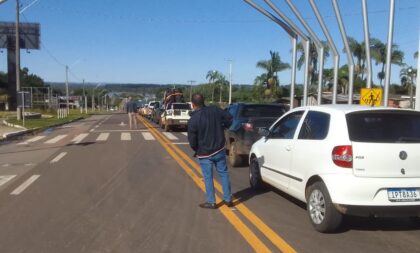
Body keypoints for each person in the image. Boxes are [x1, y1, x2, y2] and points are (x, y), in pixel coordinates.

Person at [187, 93, 233, 209]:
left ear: (193, 105)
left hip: (204, 153)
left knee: (208, 177)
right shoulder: (215, 110)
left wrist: (196, 149)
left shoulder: (193, 119)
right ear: (204, 101)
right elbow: (229, 118)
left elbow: (192, 140)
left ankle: (211, 201)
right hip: (219, 149)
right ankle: (228, 199)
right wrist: (223, 126)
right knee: (223, 173)